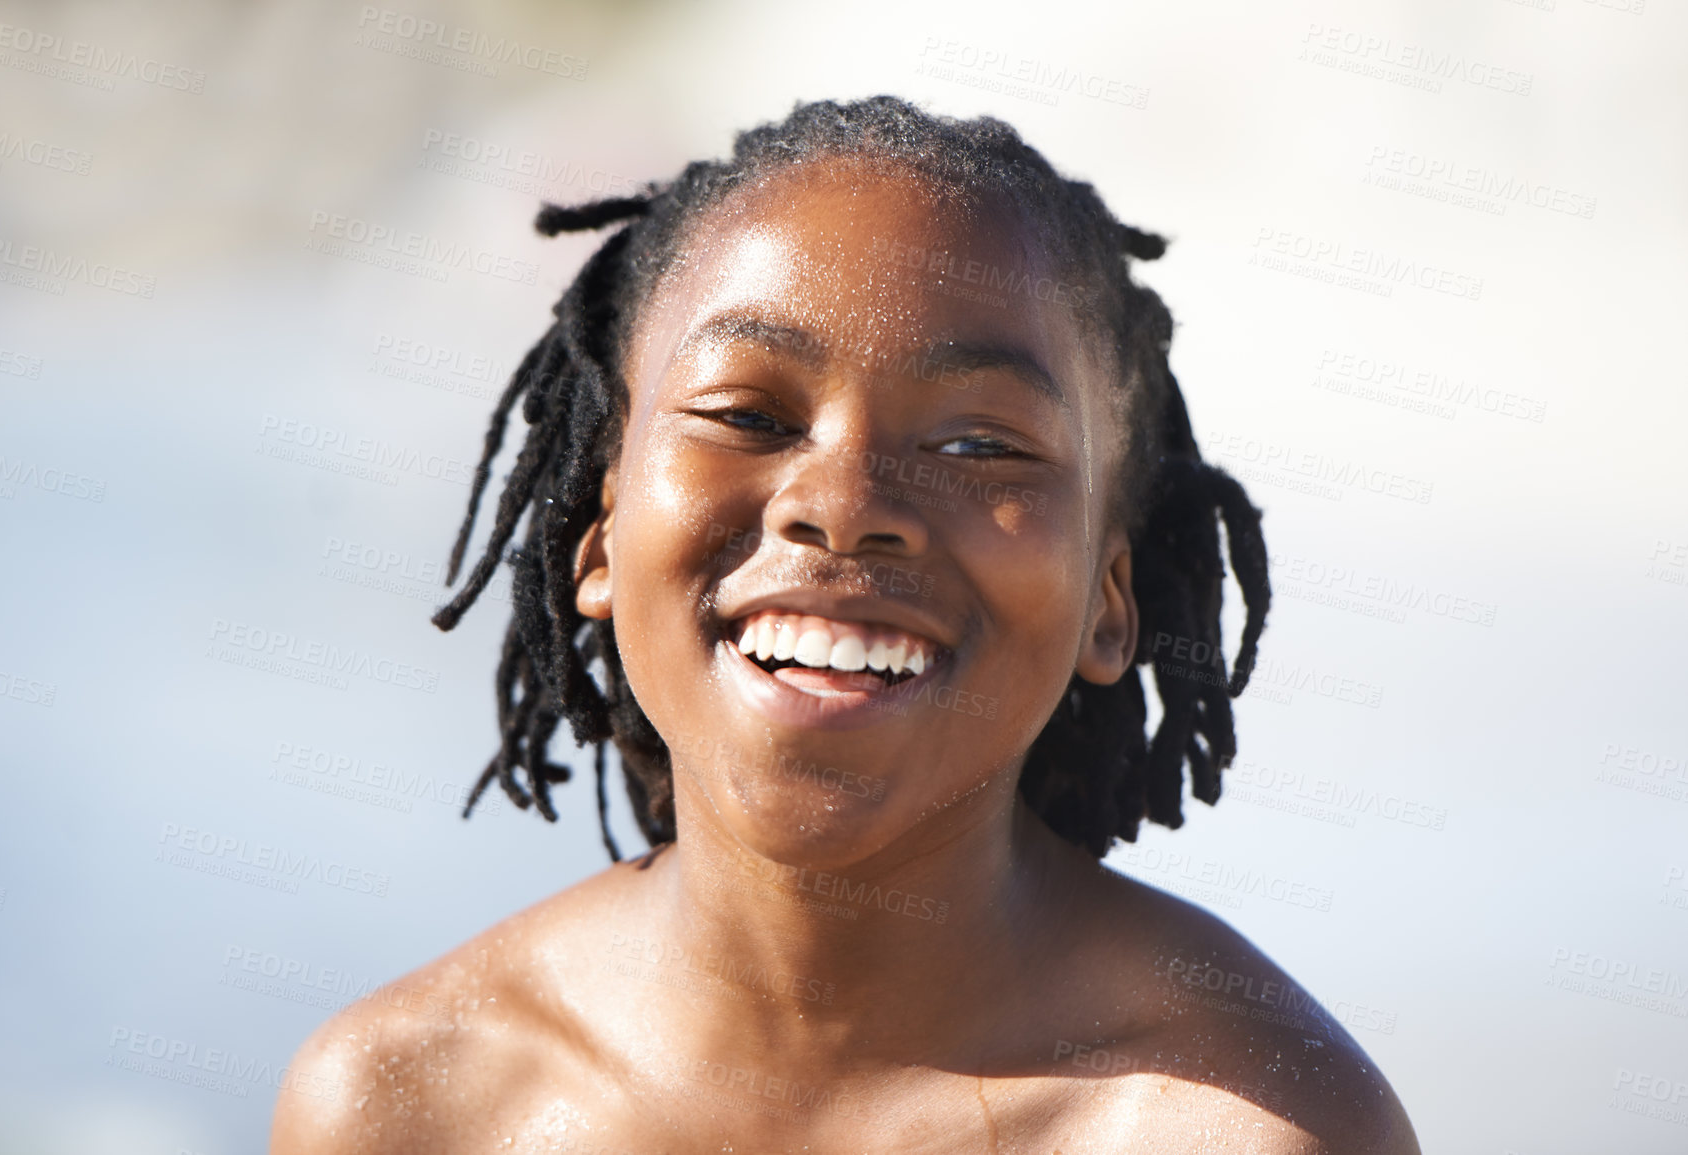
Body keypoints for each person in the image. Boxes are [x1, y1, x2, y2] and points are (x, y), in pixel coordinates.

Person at [270, 96, 1421, 1153]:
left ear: (1109, 602)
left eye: (979, 445)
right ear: (598, 533)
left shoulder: (1241, 1126)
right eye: (748, 414)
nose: (843, 508)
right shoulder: (408, 1102)